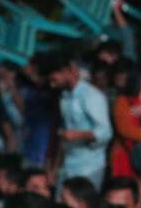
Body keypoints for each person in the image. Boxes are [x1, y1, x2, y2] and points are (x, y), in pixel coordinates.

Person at [40, 53, 112, 190]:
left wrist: (79, 135)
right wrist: (55, 168)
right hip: (68, 166)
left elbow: (106, 132)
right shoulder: (64, 97)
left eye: (54, 78)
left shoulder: (91, 96)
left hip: (89, 167)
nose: (52, 84)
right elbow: (64, 136)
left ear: (67, 70)